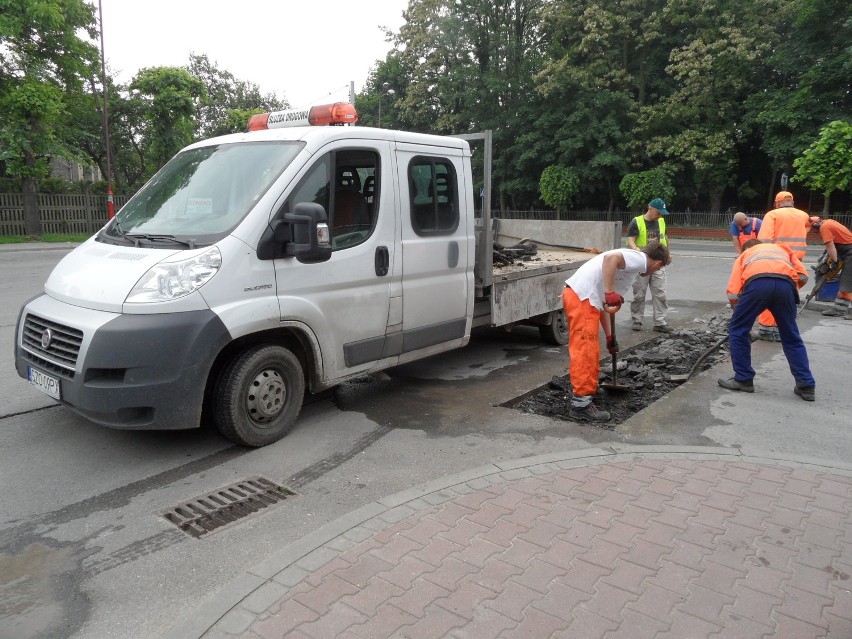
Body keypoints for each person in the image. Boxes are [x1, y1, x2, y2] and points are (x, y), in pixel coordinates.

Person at [563, 241, 672, 422]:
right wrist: (609, 292)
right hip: (582, 298)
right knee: (585, 351)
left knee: (592, 348)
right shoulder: (639, 259)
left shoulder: (631, 266)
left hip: (586, 300)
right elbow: (609, 258)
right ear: (658, 264)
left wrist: (609, 336)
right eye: (657, 270)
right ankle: (580, 405)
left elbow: (605, 306)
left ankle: (589, 388)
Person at [718, 239, 816, 401]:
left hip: (757, 285)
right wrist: (788, 293)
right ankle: (806, 385)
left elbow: (733, 293)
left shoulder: (745, 255)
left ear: (746, 249)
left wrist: (740, 315)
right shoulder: (781, 249)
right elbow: (803, 276)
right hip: (786, 286)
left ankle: (743, 379)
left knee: (738, 331)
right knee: (791, 337)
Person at [754, 191, 814, 340]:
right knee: (789, 294)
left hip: (777, 259)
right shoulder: (803, 215)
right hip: (796, 260)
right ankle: (784, 331)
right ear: (792, 202)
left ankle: (766, 330)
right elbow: (808, 226)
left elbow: (764, 240)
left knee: (769, 292)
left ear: (777, 203)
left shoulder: (773, 215)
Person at [627, 198, 672, 333]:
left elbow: (665, 238)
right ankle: (637, 320)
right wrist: (635, 249)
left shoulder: (661, 221)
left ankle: (659, 322)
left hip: (658, 263)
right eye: (658, 212)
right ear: (650, 208)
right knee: (639, 294)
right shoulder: (637, 221)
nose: (660, 215)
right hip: (642, 263)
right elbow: (630, 239)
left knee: (660, 293)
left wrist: (667, 253)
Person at [813, 218, 852, 318]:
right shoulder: (829, 222)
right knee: (845, 282)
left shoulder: (824, 227)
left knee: (849, 282)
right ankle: (839, 309)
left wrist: (835, 262)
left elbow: (830, 246)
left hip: (849, 253)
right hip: (847, 253)